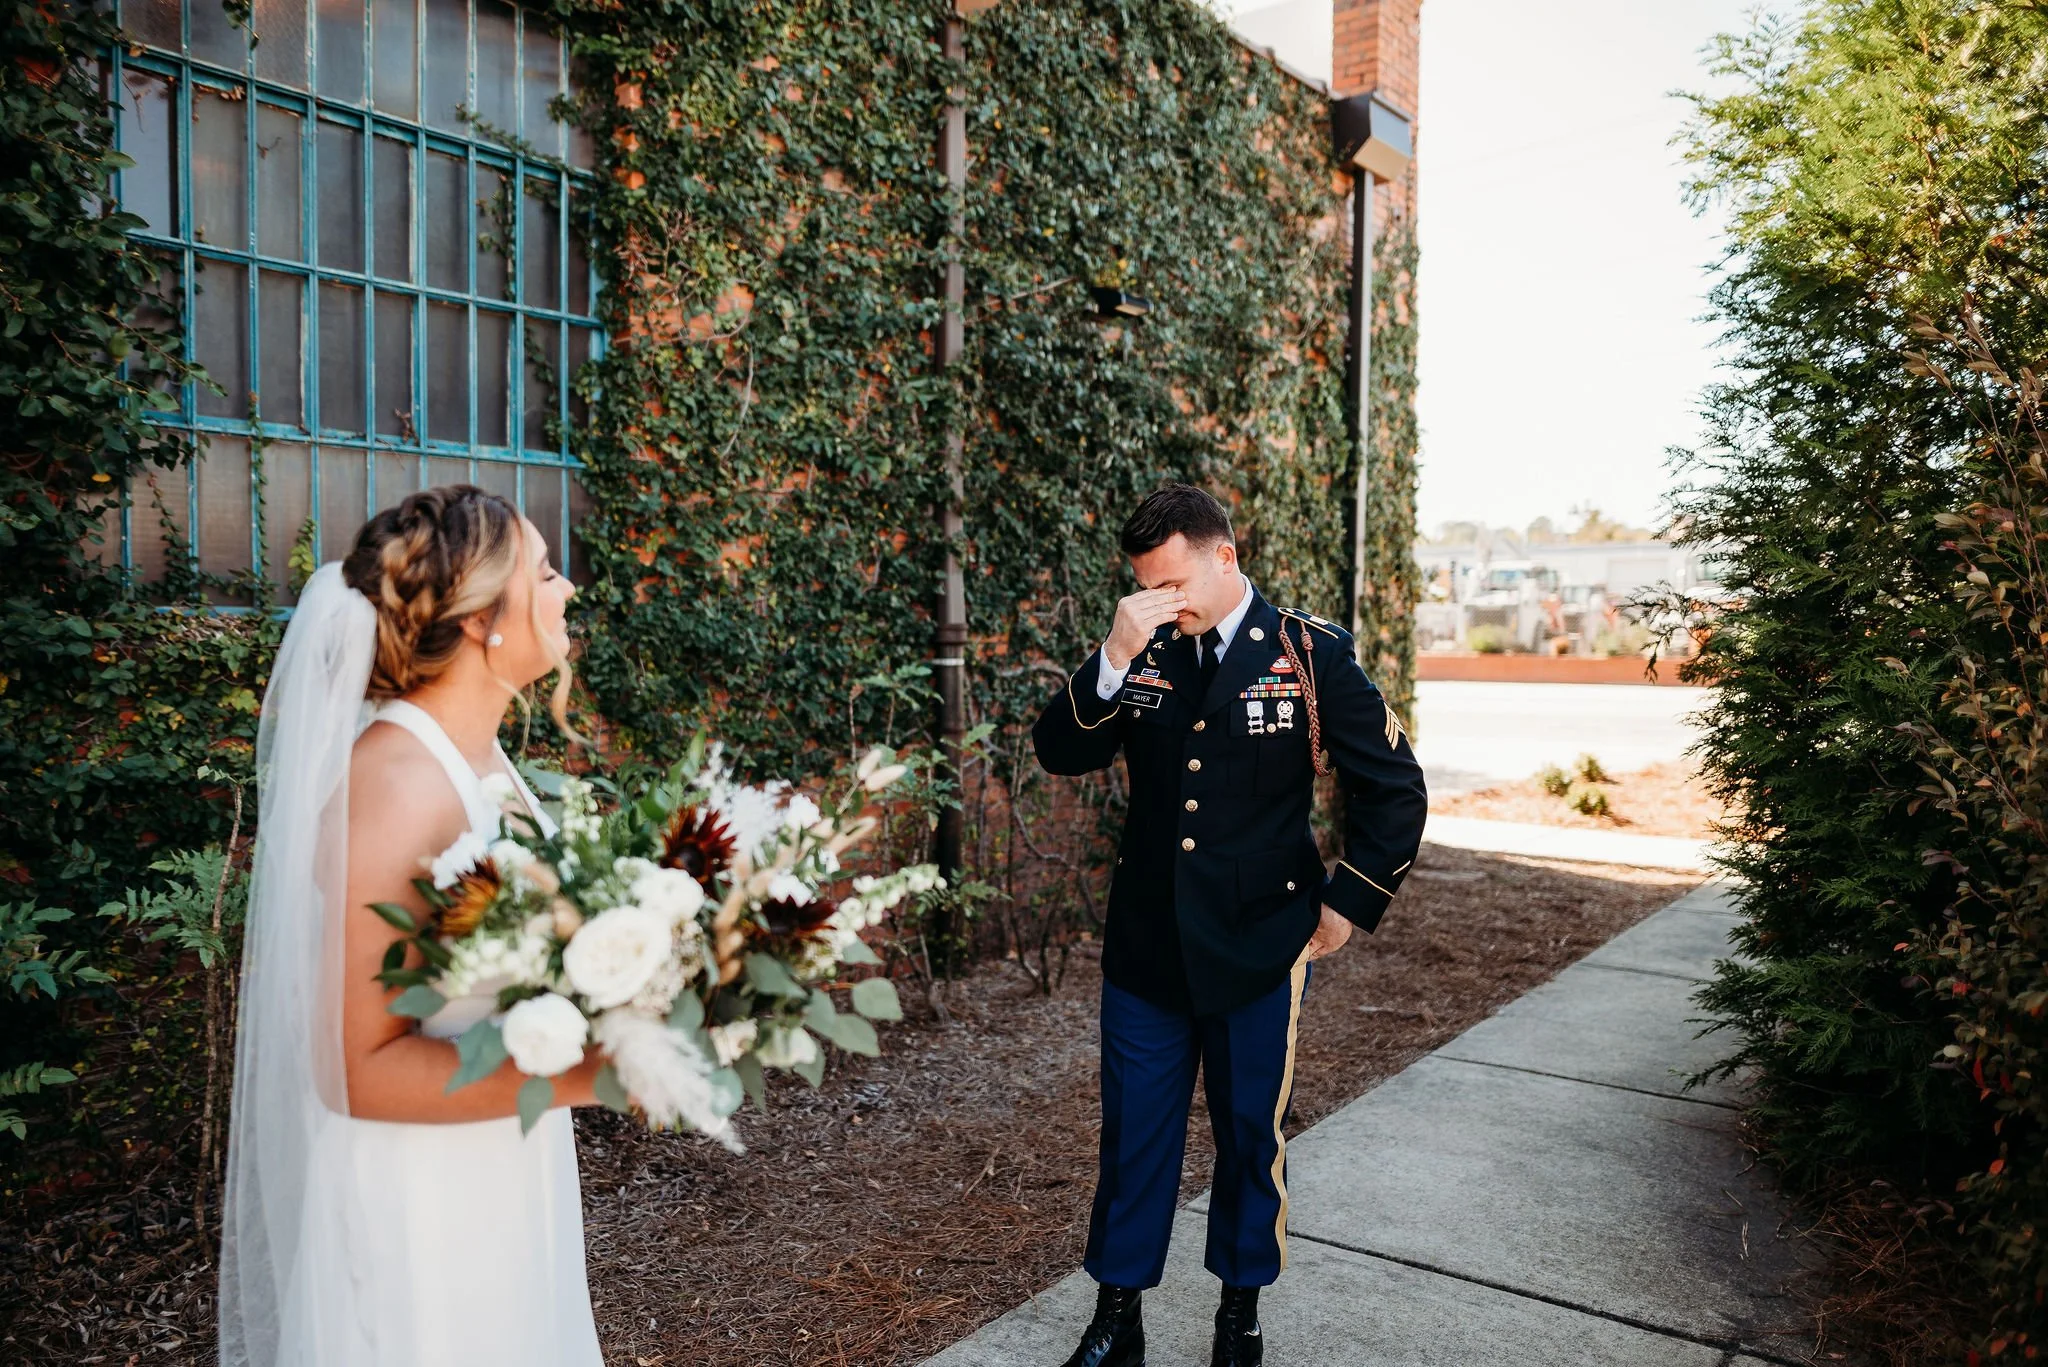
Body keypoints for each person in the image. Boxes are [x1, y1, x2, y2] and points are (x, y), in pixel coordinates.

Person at [1032, 484, 1429, 1367]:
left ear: (1225, 555)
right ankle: (1117, 1317)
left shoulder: (1306, 651)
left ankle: (1239, 1314)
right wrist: (1111, 651)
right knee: (1135, 1134)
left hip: (1260, 942)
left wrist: (1349, 901)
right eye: (1144, 585)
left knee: (1253, 1132)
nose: (1159, 601)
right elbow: (1059, 749)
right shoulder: (1140, 650)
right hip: (1147, 945)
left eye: (1172, 581)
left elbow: (1396, 786)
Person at [217, 485, 607, 1366]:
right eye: (545, 571)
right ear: (480, 619)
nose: (567, 589)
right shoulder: (394, 785)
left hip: (500, 1169)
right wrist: (599, 1070)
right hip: (424, 1211)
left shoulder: (480, 758)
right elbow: (355, 1070)